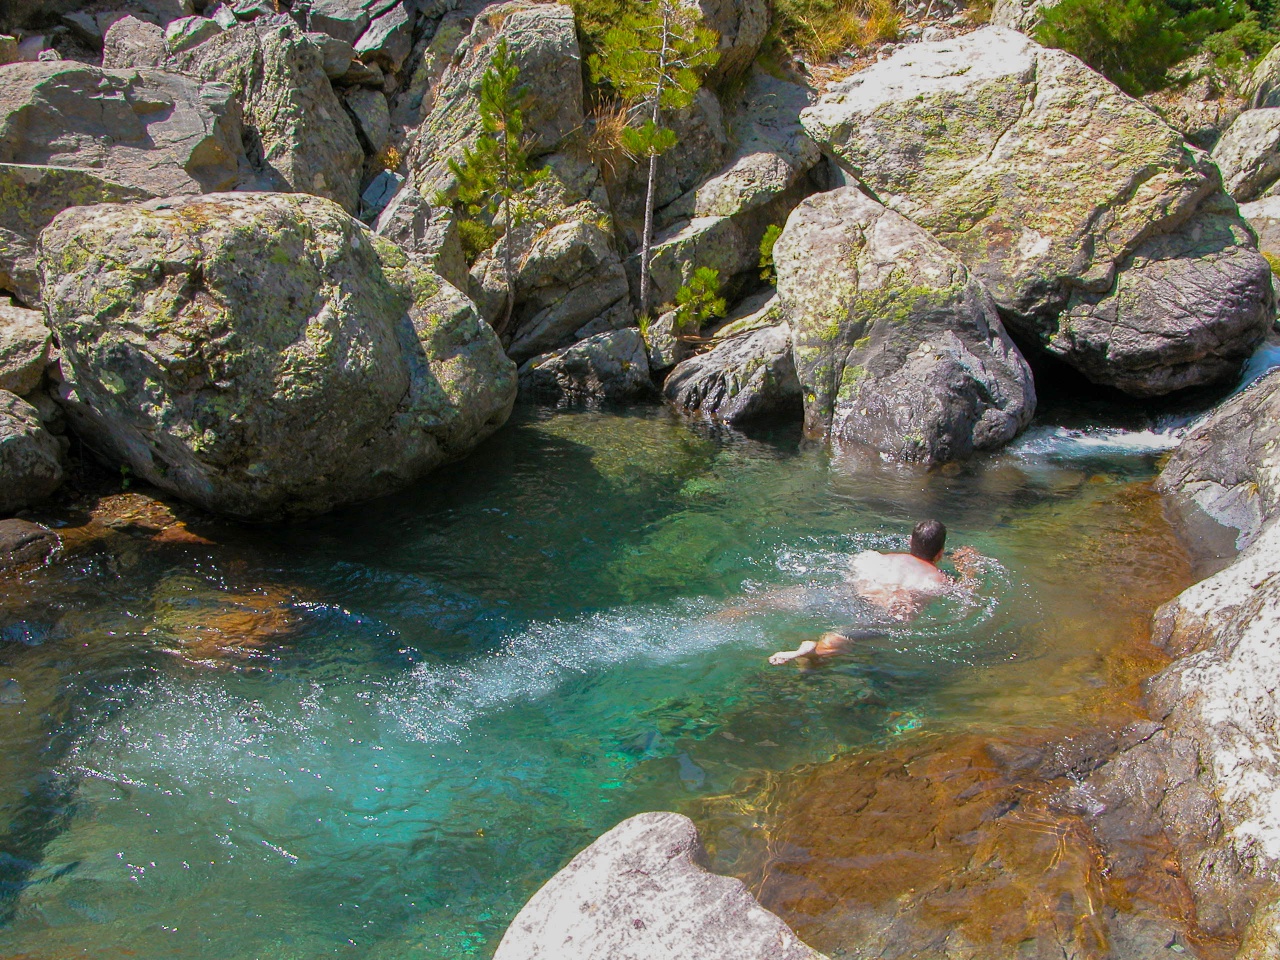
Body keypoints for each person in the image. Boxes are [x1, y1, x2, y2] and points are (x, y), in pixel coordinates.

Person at [767, 520, 981, 665]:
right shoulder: (937, 577)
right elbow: (968, 592)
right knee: (835, 645)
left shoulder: (884, 558)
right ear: (940, 553)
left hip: (857, 596)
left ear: (910, 542)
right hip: (888, 615)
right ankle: (813, 651)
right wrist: (969, 566)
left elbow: (855, 570)